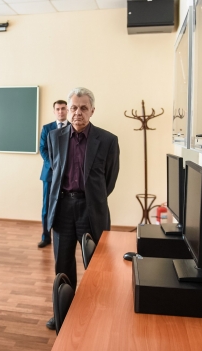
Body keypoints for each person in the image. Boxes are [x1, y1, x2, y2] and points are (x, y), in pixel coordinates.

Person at [44, 87, 120, 330]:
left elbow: (109, 180)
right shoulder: (54, 137)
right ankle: (63, 312)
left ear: (92, 111)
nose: (78, 112)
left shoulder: (107, 140)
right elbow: (55, 172)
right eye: (74, 108)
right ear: (67, 110)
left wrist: (93, 200)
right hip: (63, 208)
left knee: (96, 265)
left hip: (91, 209)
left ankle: (97, 311)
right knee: (63, 264)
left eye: (83, 108)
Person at [38, 100, 68, 248]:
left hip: (68, 175)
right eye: (58, 109)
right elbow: (43, 149)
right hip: (49, 174)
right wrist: (55, 166)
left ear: (67, 110)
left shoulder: (73, 127)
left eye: (63, 108)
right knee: (47, 207)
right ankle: (46, 237)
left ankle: (64, 236)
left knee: (65, 207)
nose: (60, 111)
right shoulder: (47, 128)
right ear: (54, 111)